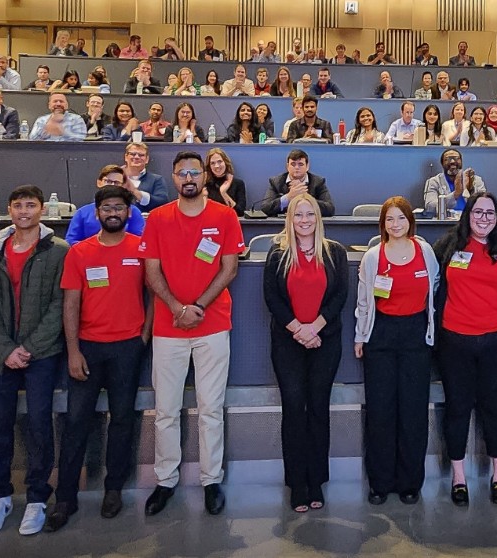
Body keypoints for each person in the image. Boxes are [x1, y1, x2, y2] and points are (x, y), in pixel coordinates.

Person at [138, 151, 244, 517]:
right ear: (173, 177)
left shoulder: (224, 216)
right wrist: (176, 308)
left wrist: (196, 306)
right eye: (181, 172)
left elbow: (229, 269)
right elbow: (151, 272)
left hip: (213, 326)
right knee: (166, 410)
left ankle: (211, 480)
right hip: (168, 328)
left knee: (210, 408)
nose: (188, 178)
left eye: (194, 172)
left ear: (204, 177)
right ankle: (165, 481)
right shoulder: (157, 218)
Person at [45, 184, 149, 531]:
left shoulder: (141, 249)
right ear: (97, 213)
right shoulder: (80, 252)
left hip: (128, 348)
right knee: (76, 422)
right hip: (87, 348)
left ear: (128, 213)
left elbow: (154, 294)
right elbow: (70, 304)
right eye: (107, 208)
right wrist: (73, 351)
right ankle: (65, 497)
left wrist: (144, 336)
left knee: (122, 419)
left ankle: (114, 488)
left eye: (119, 207)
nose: (113, 213)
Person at [0, 185, 67, 537]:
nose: (23, 211)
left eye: (30, 205)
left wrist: (28, 347)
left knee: (40, 424)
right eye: (17, 205)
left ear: (42, 209)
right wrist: (6, 350)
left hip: (41, 354)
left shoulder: (59, 252)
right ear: (9, 210)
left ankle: (38, 497)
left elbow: (60, 305)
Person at [432, 192, 497, 507]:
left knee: (494, 409)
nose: (483, 218)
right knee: (457, 409)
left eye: (490, 213)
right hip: (454, 342)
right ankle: (459, 477)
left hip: (496, 343)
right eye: (478, 212)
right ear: (467, 215)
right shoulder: (449, 245)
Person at [262, 193, 348, 513]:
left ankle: (316, 482)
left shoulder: (335, 252)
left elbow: (340, 296)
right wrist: (299, 329)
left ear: (318, 218)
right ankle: (297, 483)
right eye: (298, 215)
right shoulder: (278, 253)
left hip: (326, 342)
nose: (304, 220)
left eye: (310, 214)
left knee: (318, 409)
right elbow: (272, 297)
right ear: (290, 219)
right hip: (288, 343)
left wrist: (315, 329)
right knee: (294, 409)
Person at [355, 196, 439, 505]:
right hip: (381, 336)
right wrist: (360, 336)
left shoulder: (425, 252)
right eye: (389, 219)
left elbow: (435, 287)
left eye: (401, 218)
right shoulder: (372, 257)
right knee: (381, 411)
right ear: (383, 224)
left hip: (416, 335)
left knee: (413, 412)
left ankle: (409, 483)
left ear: (410, 221)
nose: (395, 224)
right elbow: (364, 301)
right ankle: (380, 482)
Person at [65, 165, 146, 245]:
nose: (112, 185)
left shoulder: (133, 211)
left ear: (123, 186)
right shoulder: (82, 212)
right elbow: (71, 240)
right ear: (99, 182)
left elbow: (140, 240)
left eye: (116, 182)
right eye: (108, 181)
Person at [264, 149, 336, 217]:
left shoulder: (318, 182)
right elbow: (265, 208)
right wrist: (288, 197)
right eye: (293, 164)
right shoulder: (276, 182)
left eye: (300, 164)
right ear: (287, 166)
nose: (296, 167)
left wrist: (306, 198)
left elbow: (330, 209)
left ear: (307, 166)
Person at [424, 149, 486, 216]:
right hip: (445, 221)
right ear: (442, 164)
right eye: (447, 159)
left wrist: (470, 189)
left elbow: (484, 204)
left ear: (461, 162)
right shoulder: (433, 182)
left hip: (470, 220)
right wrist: (455, 194)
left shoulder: (476, 180)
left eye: (456, 158)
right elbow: (430, 207)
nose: (452, 161)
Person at [120, 142, 171, 212]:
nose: (136, 157)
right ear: (126, 157)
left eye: (141, 155)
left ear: (147, 159)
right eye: (133, 154)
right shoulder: (115, 177)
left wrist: (135, 191)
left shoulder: (157, 180)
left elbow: (163, 202)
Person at [205, 148, 247, 216]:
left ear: (225, 162)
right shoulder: (205, 185)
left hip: (230, 221)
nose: (217, 166)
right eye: (212, 163)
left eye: (220, 161)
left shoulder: (238, 184)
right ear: (209, 166)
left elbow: (240, 212)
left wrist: (224, 193)